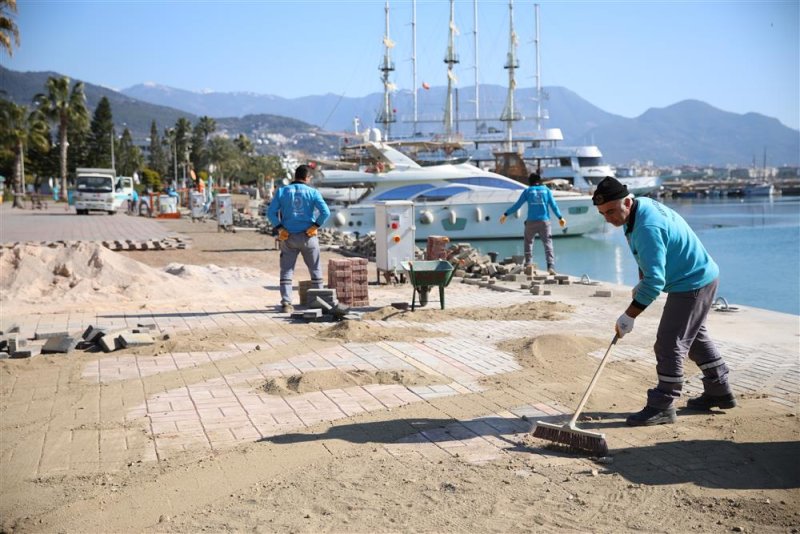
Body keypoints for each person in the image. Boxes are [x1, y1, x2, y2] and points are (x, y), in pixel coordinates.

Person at [592, 176, 735, 426]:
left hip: (692, 282)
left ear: (627, 201)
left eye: (612, 211)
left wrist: (629, 315)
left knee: (669, 343)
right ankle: (719, 390)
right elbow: (646, 257)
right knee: (694, 338)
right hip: (697, 276)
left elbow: (655, 282)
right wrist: (643, 279)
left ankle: (663, 404)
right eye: (603, 214)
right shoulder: (639, 208)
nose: (609, 218)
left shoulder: (648, 226)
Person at [267, 164, 330, 313]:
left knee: (287, 271)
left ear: (295, 176)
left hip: (288, 236)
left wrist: (280, 228)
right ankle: (319, 302)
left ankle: (287, 303)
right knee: (315, 269)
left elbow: (271, 213)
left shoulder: (282, 191)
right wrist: (315, 226)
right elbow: (325, 212)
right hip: (309, 236)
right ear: (307, 178)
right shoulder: (313, 192)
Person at [499, 172, 566, 274]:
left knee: (528, 243)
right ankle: (551, 266)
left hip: (531, 222)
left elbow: (517, 205)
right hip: (544, 222)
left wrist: (505, 214)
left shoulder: (528, 191)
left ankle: (528, 264)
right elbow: (554, 206)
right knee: (548, 244)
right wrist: (560, 217)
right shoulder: (546, 191)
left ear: (530, 181)